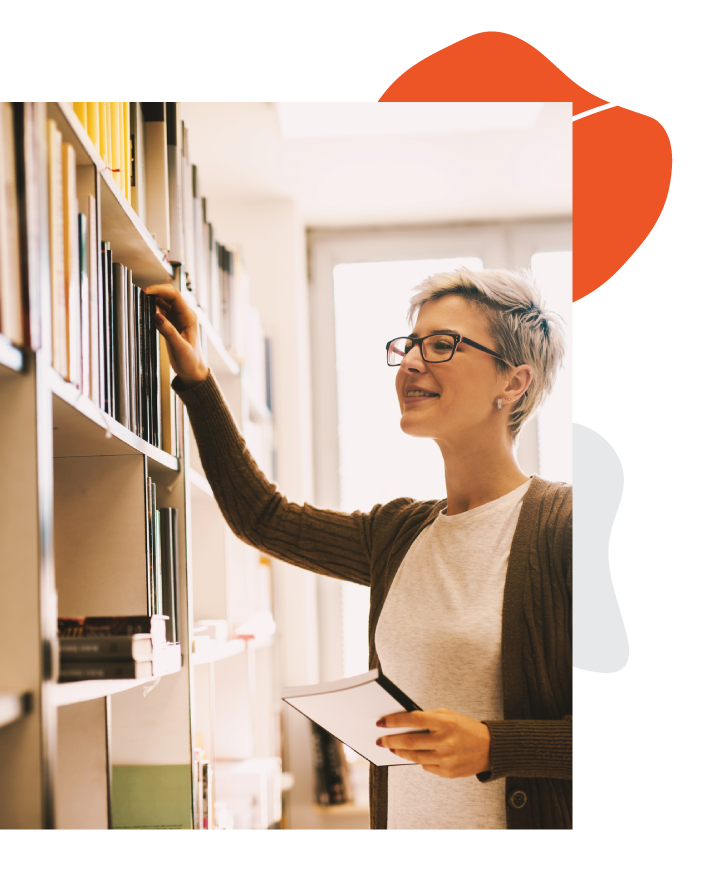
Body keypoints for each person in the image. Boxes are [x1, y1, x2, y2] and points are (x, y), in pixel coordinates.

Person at [145, 266, 572, 831]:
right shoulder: (397, 534)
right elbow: (262, 519)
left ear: (513, 383)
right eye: (411, 344)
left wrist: (497, 745)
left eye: (443, 344)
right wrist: (197, 379)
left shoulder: (564, 527)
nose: (413, 362)